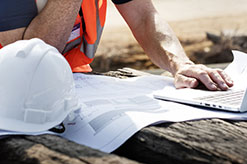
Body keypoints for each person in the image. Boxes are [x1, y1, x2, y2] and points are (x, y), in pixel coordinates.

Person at [0, 0, 233, 90]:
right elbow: (28, 65)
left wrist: (180, 64)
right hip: (12, 93)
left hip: (75, 84)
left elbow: (143, 16)